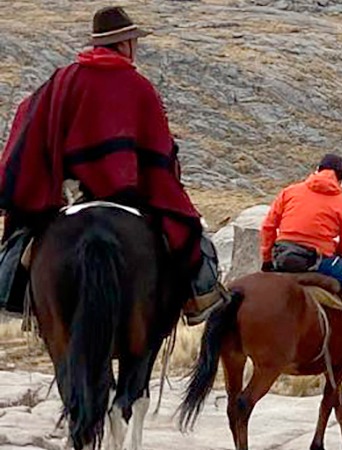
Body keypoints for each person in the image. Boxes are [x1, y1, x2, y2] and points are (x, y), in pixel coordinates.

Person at [0, 6, 225, 320]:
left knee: (20, 240)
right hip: (128, 195)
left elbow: (29, 115)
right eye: (134, 41)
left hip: (72, 194)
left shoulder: (63, 80)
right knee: (190, 234)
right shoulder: (139, 87)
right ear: (123, 43)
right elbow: (160, 151)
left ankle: (10, 293)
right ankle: (199, 298)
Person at [259, 154, 342, 364]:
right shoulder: (341, 201)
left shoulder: (290, 191)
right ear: (340, 177)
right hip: (317, 260)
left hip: (281, 257)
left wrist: (266, 259)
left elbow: (268, 226)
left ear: (317, 169)